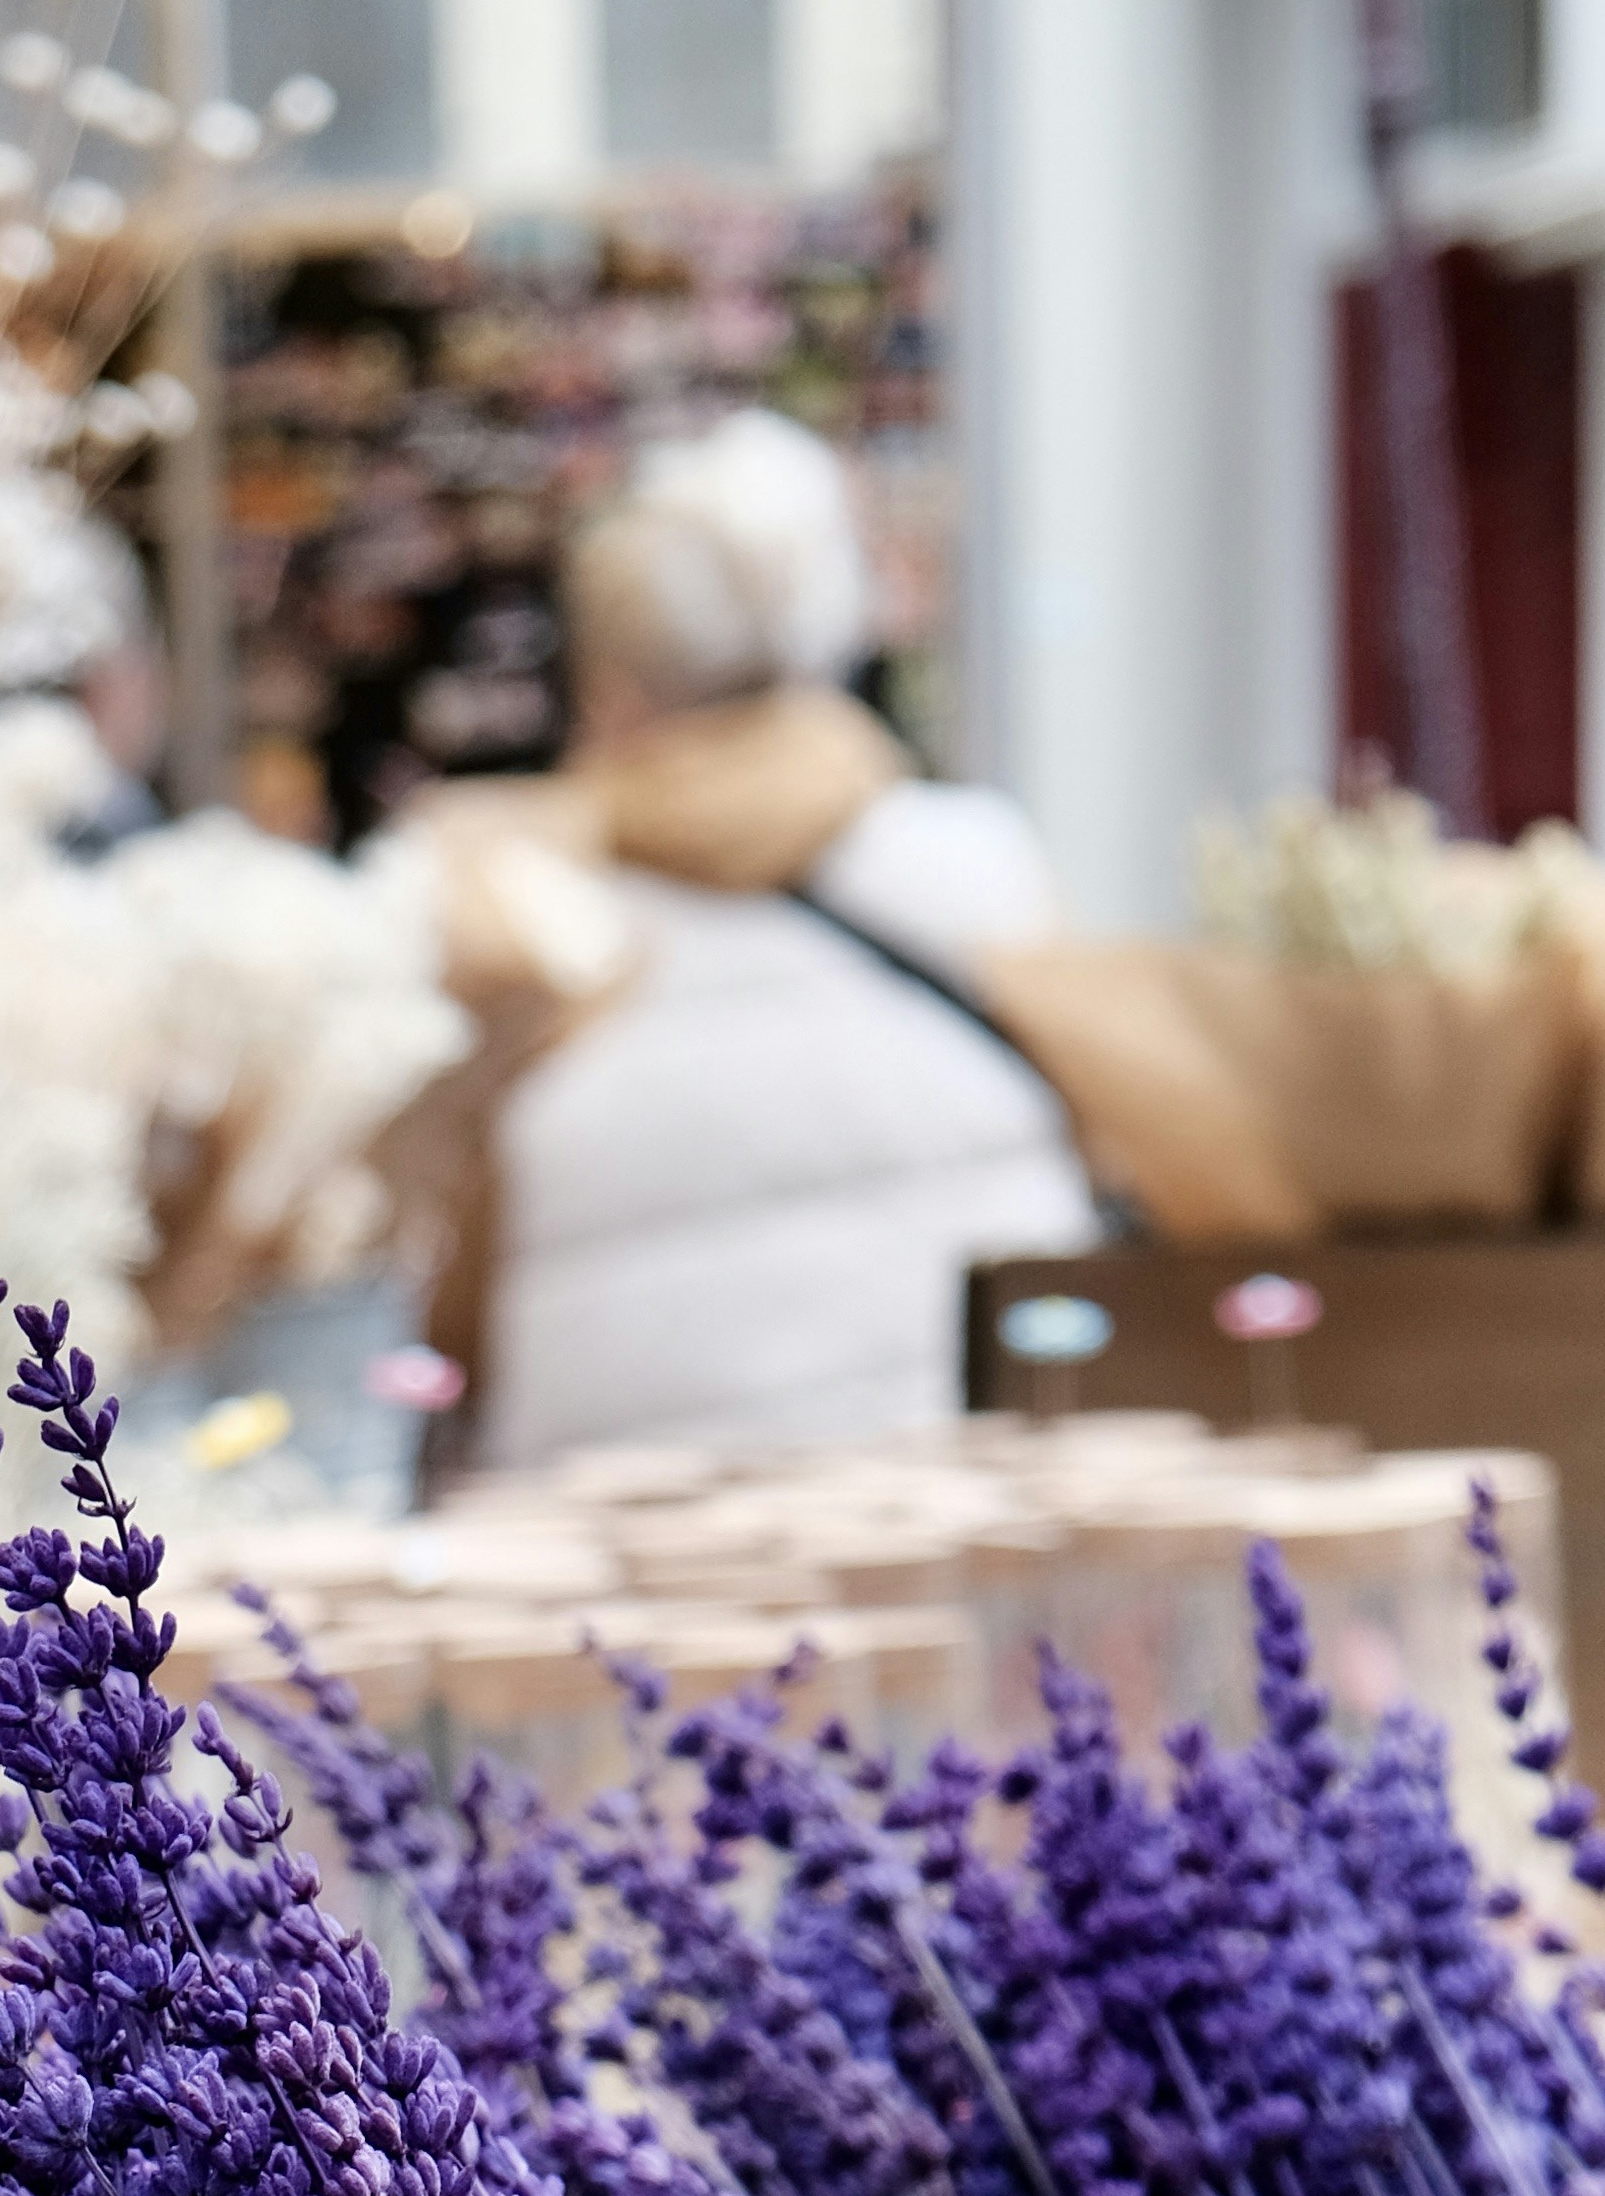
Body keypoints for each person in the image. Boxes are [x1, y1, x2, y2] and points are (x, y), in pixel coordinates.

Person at [413, 409, 1098, 1469]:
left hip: (620, 1552)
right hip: (959, 1503)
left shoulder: (513, 908)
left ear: (609, 686)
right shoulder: (975, 866)